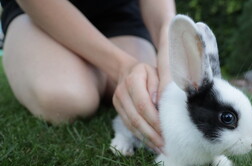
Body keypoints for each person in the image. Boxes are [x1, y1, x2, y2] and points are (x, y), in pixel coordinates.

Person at [1, 0, 176, 152]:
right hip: (39, 14)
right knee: (67, 98)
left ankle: (90, 66)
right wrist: (124, 66)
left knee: (147, 90)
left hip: (118, 14)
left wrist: (169, 41)